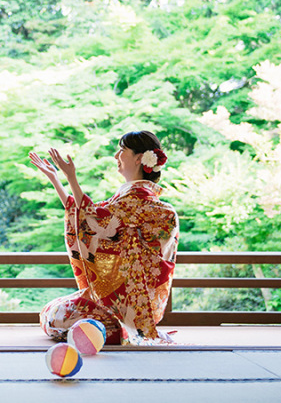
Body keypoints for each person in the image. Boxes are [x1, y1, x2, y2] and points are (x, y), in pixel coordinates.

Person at [29, 130, 179, 345]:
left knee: (58, 318)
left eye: (122, 150)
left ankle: (123, 330)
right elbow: (86, 215)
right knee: (53, 312)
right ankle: (112, 330)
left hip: (133, 305)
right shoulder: (128, 201)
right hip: (119, 300)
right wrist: (56, 179)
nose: (117, 156)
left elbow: (91, 218)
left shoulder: (146, 206)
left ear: (139, 158)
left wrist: (71, 178)